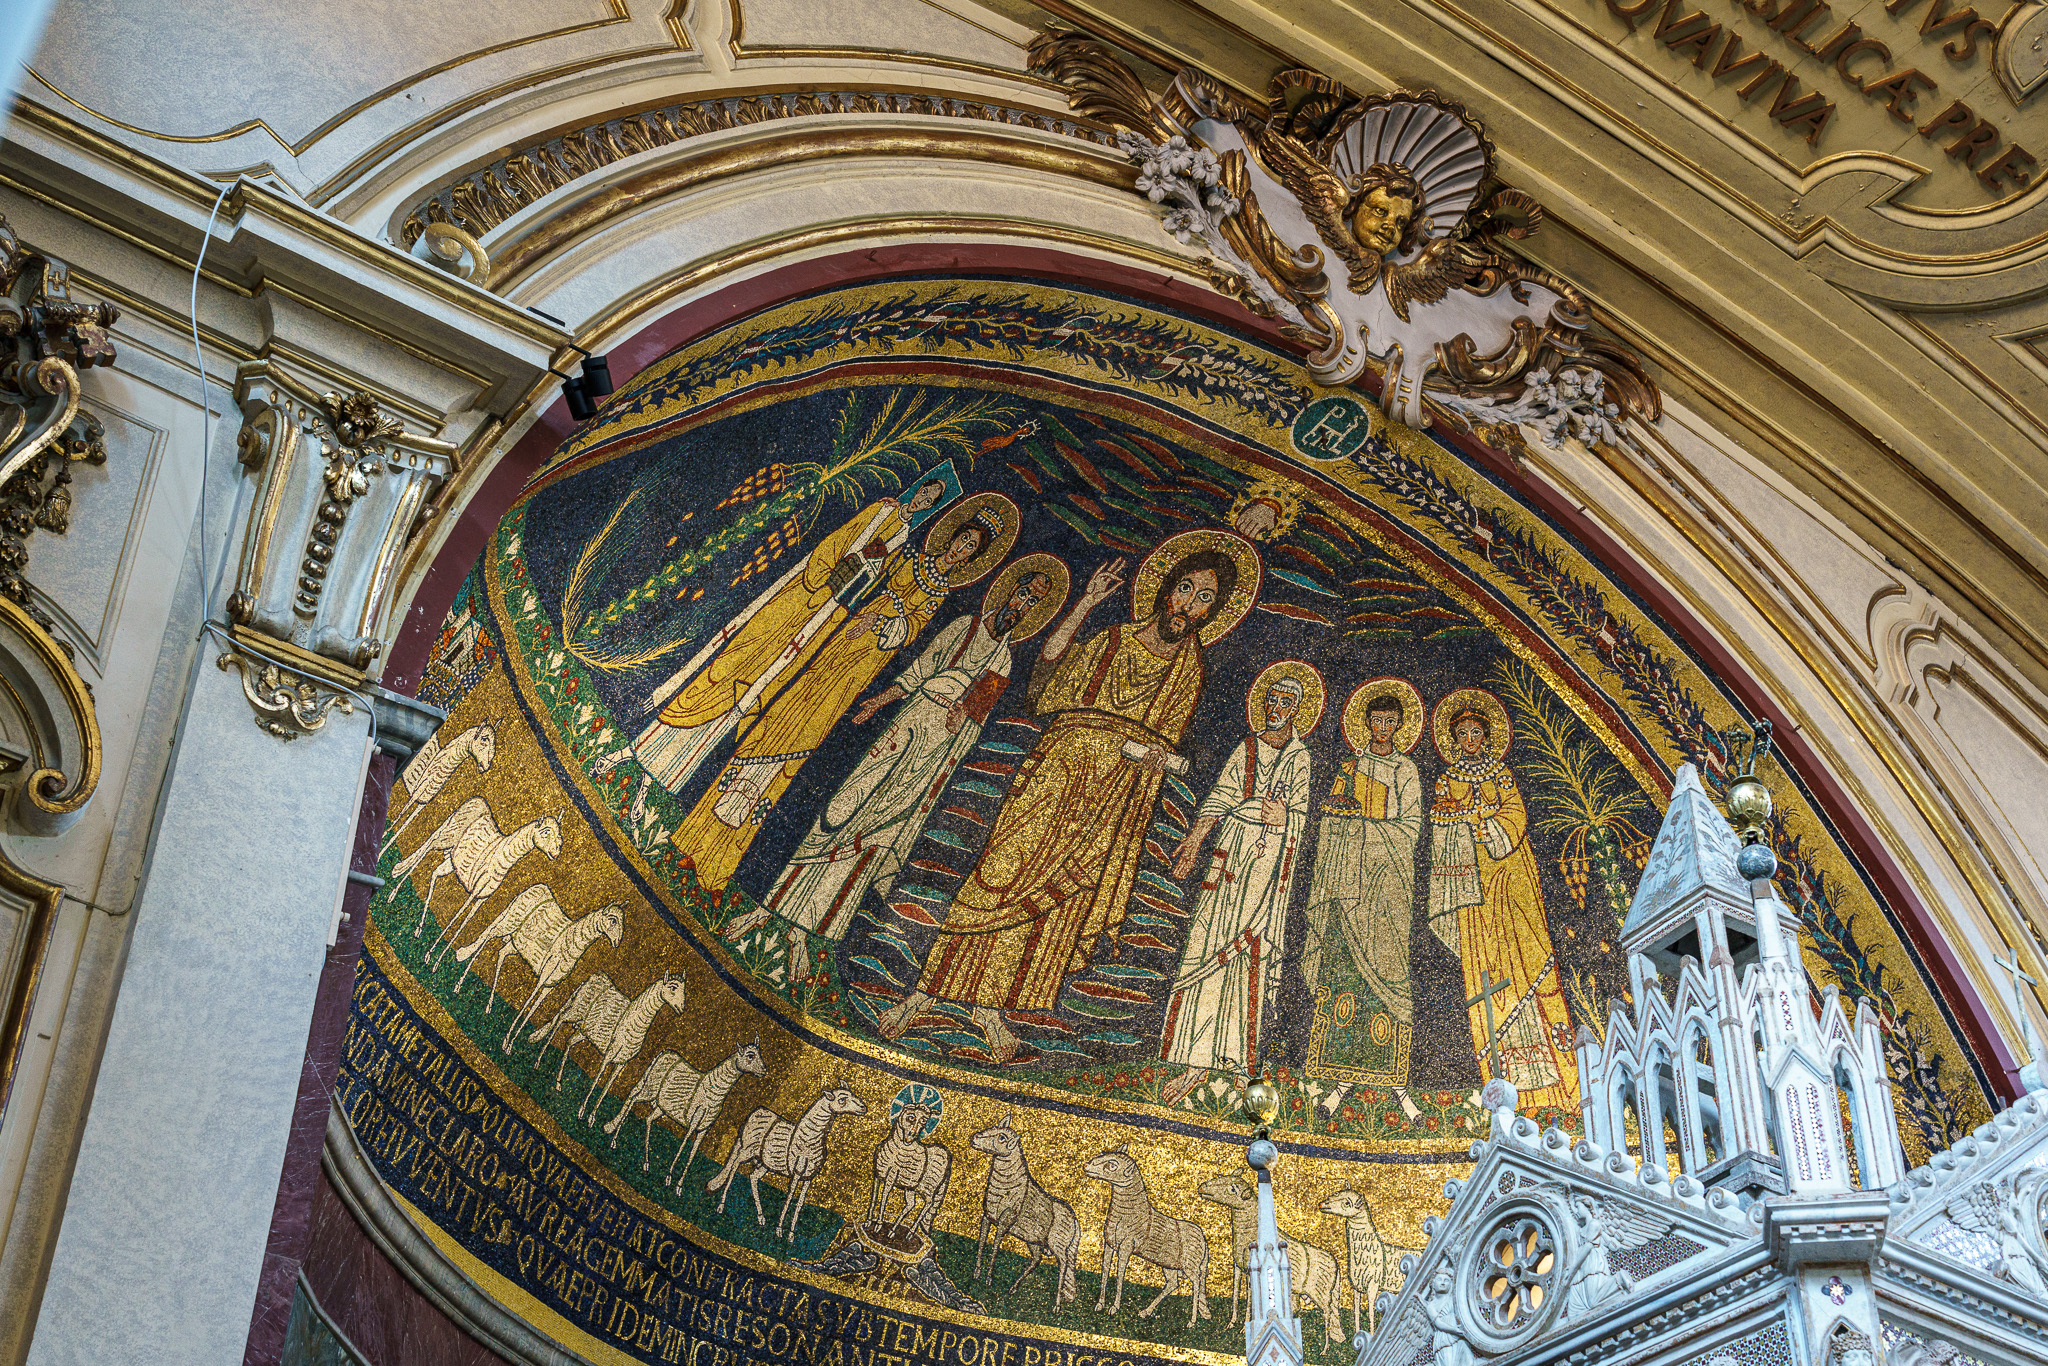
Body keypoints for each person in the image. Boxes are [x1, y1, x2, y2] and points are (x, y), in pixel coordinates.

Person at [876, 529, 1259, 1063]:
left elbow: (1165, 742)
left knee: (1062, 900)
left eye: (1204, 599)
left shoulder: (1188, 668)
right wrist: (1086, 603)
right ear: (1167, 588)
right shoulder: (1115, 639)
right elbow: (1052, 669)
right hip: (1059, 771)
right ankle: (922, 995)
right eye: (1186, 589)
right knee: (999, 871)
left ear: (1211, 612)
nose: (1189, 604)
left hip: (1115, 794)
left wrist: (1155, 759)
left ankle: (993, 1010)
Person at [739, 555, 1068, 981]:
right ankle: (769, 909)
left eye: (1032, 605)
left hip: (937, 750)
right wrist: (880, 701)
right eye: (1023, 594)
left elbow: (975, 715)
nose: (1022, 606)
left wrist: (962, 717)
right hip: (911, 722)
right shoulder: (964, 627)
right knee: (844, 807)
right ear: (1009, 591)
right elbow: (918, 671)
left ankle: (808, 933)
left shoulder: (1003, 660)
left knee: (881, 832)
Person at [669, 495, 1017, 890]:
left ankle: (721, 860)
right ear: (951, 537)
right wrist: (888, 519)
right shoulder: (910, 558)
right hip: (842, 636)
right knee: (777, 718)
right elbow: (865, 568)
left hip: (866, 661)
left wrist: (881, 621)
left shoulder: (941, 594)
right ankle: (696, 834)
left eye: (971, 547)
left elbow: (911, 631)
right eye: (962, 539)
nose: (961, 548)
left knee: (804, 738)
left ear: (973, 558)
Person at [631, 475, 953, 795]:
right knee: (743, 652)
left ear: (929, 507)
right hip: (808, 592)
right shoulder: (880, 511)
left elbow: (872, 580)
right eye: (923, 493)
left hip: (831, 611)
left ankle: (681, 766)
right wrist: (820, 582)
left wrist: (841, 604)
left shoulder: (903, 539)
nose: (922, 501)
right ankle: (666, 727)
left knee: (771, 680)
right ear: (918, 489)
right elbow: (837, 542)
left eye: (929, 501)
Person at [1158, 662, 1320, 1106]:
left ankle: (1234, 1061)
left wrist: (1285, 817)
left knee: (1249, 951)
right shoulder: (1246, 748)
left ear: (1297, 710)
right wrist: (1194, 840)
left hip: (1269, 863)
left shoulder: (1301, 758)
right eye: (1271, 700)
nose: (1275, 708)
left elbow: (1304, 816)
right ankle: (1192, 1059)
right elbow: (1220, 796)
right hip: (1231, 853)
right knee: (1208, 941)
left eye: (1285, 702)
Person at [1424, 688, 1578, 1113]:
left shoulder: (1503, 773)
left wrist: (1485, 824)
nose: (1469, 740)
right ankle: (1503, 1092)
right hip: (1471, 889)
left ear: (1487, 736)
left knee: (1527, 959)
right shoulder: (1447, 779)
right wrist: (1461, 820)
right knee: (1485, 971)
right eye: (1462, 734)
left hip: (1511, 878)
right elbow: (1440, 823)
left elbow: (1516, 815)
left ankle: (1557, 1085)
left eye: (1476, 732)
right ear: (1454, 739)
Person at [1299, 678, 1425, 1104]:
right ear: (1367, 723)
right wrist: (1342, 819)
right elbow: (1330, 814)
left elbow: (1411, 828)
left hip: (1388, 884)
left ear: (1400, 725)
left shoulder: (1406, 771)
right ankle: (1335, 1076)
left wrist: (1365, 828)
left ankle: (1394, 1077)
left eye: (1391, 721)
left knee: (1389, 967)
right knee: (1343, 970)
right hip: (1348, 885)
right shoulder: (1350, 766)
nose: (1383, 728)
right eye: (1377, 721)